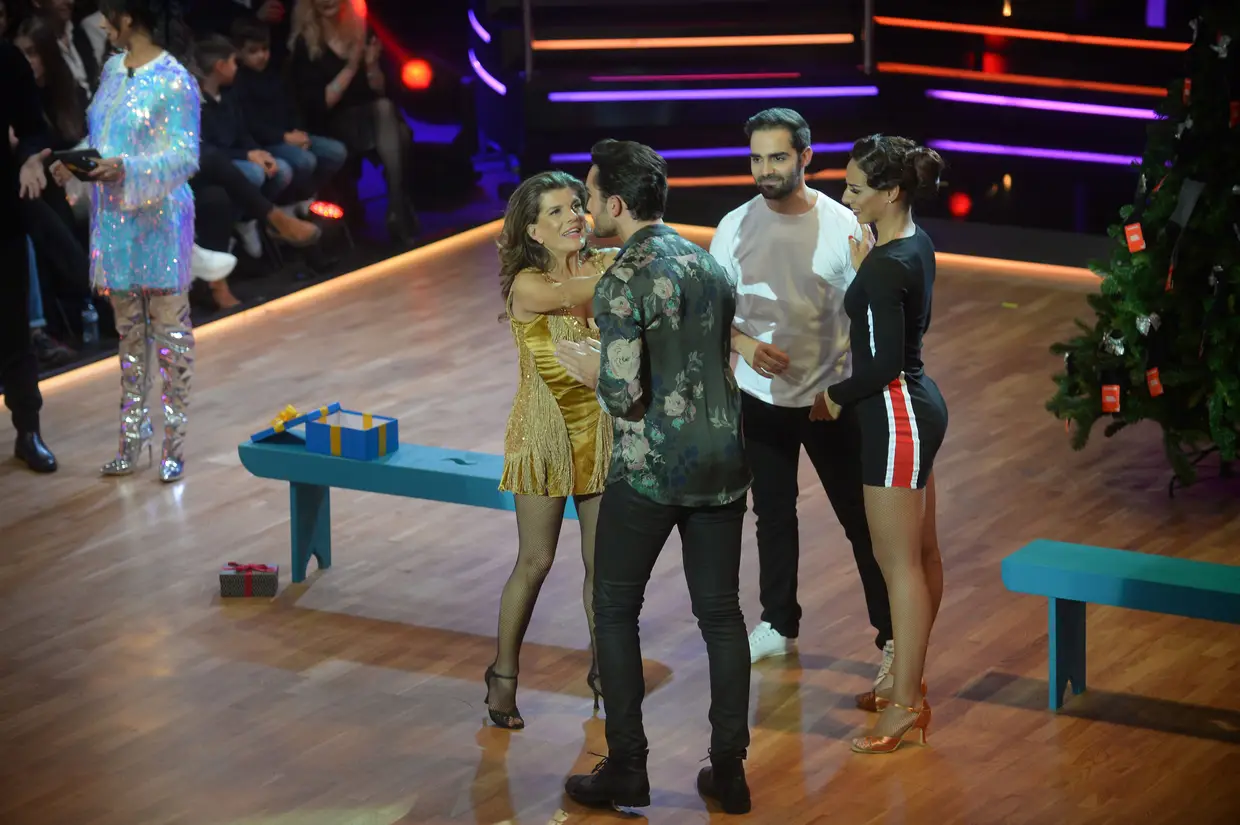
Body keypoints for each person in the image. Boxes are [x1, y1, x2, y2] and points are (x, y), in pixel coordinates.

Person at [557, 140, 754, 815]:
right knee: (722, 616)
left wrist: (588, 367)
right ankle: (730, 772)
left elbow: (623, 393)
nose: (587, 210)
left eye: (590, 198)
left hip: (650, 469)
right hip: (725, 461)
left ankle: (627, 767)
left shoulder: (622, 279)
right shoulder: (707, 262)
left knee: (614, 609)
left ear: (616, 203)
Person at [711, 108, 895, 690]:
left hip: (828, 401)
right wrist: (744, 344)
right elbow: (713, 313)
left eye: (778, 157)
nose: (765, 169)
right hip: (759, 397)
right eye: (757, 158)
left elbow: (872, 318)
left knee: (860, 521)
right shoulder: (733, 226)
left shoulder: (843, 227)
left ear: (805, 158)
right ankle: (777, 623)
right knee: (772, 513)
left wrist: (844, 392)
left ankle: (892, 637)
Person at [824, 134, 948, 753]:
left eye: (854, 189)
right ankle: (906, 684)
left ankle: (905, 705)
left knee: (899, 564)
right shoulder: (911, 244)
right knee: (919, 555)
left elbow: (881, 366)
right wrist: (864, 269)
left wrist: (834, 396)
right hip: (918, 407)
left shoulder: (884, 266)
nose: (845, 198)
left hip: (896, 415)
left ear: (891, 192)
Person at [484, 170, 618, 730]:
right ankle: (503, 674)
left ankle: (606, 672)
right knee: (536, 561)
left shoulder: (606, 263)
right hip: (543, 433)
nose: (574, 218)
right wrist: (636, 268)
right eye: (556, 212)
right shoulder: (528, 284)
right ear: (533, 231)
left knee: (602, 566)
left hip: (600, 431)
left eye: (576, 206)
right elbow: (576, 294)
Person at [51, 0, 200, 482]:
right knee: (129, 336)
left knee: (170, 338)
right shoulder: (114, 69)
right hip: (115, 222)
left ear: (129, 17)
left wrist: (126, 169)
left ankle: (174, 446)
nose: (100, 22)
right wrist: (76, 162)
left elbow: (184, 156)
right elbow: (106, 139)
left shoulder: (175, 79)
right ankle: (131, 441)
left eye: (107, 12)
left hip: (160, 221)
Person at [287, 0, 419, 244]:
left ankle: (395, 205)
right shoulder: (306, 43)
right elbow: (320, 104)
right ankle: (398, 205)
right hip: (332, 122)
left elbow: (380, 90)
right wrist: (351, 66)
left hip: (372, 118)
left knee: (387, 113)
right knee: (399, 133)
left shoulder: (361, 30)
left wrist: (371, 65)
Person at [2, 39, 58, 473]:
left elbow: (35, 128)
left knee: (13, 324)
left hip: (2, 209)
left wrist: (28, 159)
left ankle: (28, 431)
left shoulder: (6, 58)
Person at [231, 17, 348, 215]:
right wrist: (284, 137)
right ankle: (283, 205)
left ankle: (305, 196)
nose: (261, 56)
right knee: (304, 161)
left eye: (265, 49)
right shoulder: (238, 82)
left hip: (289, 135)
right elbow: (249, 125)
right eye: (253, 51)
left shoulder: (275, 73)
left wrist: (298, 132)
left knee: (336, 152)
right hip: (265, 142)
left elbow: (292, 106)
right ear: (239, 52)